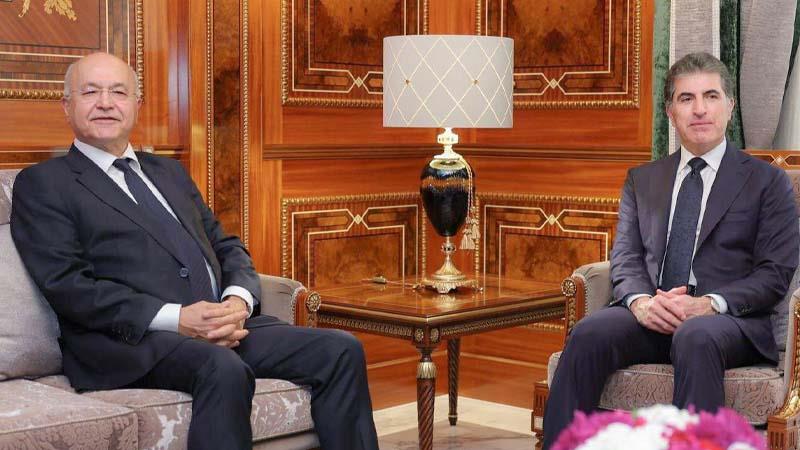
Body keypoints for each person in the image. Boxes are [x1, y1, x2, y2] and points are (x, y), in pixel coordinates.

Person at [10, 52, 379, 450]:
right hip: (130, 342)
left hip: (220, 326)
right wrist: (179, 319)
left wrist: (237, 302)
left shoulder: (168, 172)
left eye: (118, 92)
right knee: (222, 367)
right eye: (90, 92)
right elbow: (68, 286)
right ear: (67, 106)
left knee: (340, 349)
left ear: (136, 105)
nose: (105, 103)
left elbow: (225, 244)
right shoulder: (44, 183)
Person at [542, 52, 799, 449]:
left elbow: (774, 273)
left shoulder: (767, 182)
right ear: (670, 112)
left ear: (730, 106)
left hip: (727, 323)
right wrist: (642, 303)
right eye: (686, 98)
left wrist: (709, 304)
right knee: (589, 332)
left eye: (711, 96)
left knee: (695, 336)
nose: (700, 109)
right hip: (654, 313)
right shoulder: (643, 179)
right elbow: (626, 258)